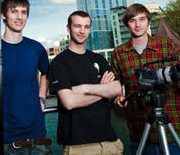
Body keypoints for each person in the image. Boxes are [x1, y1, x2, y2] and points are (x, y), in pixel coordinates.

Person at [0, 0, 52, 155]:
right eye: (14, 11)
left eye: (24, 12)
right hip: (6, 144)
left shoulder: (36, 49)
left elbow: (46, 72)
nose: (20, 17)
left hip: (39, 140)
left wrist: (41, 97)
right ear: (3, 15)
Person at [111, 3, 180, 155]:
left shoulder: (168, 46)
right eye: (132, 20)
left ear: (149, 22)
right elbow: (115, 85)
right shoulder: (119, 53)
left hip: (174, 131)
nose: (137, 24)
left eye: (142, 19)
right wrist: (118, 96)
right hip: (141, 132)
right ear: (126, 24)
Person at [48, 11, 124, 155]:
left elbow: (116, 88)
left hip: (110, 143)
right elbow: (69, 102)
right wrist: (103, 90)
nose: (82, 31)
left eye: (86, 27)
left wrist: (83, 89)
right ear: (68, 28)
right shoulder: (59, 63)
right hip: (79, 146)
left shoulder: (99, 59)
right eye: (77, 26)